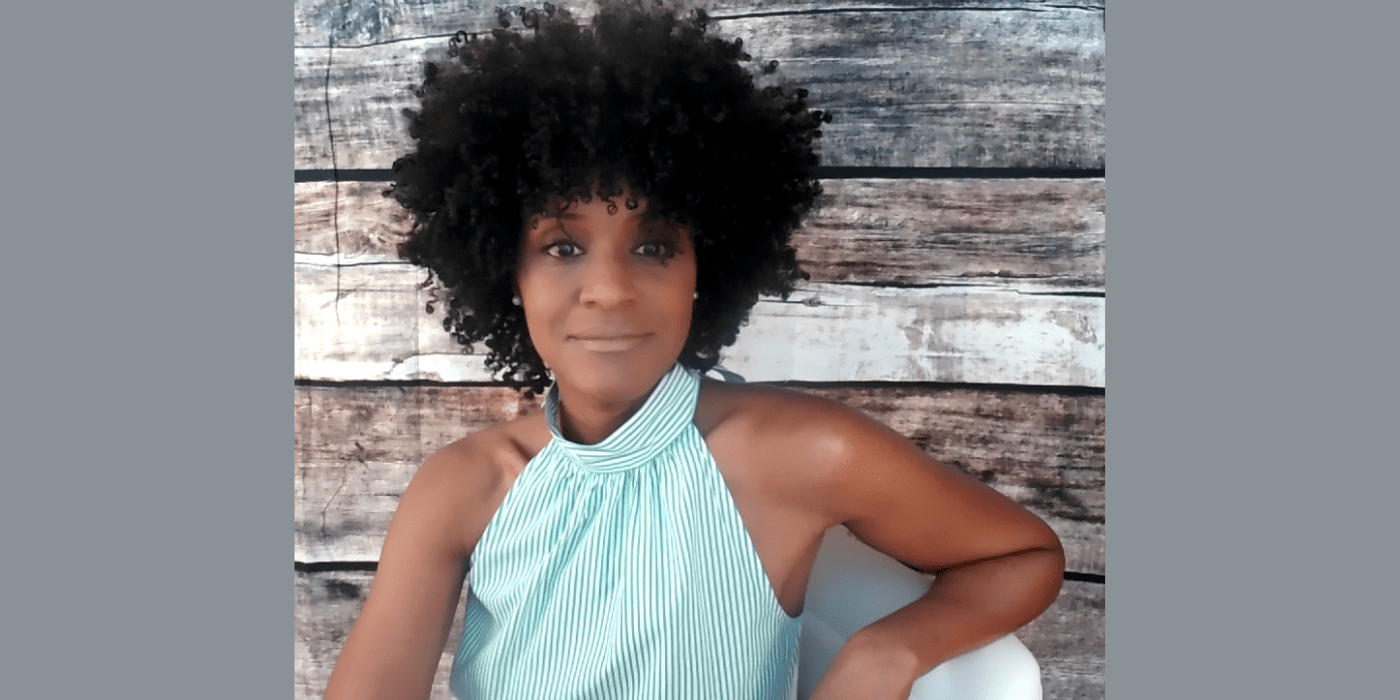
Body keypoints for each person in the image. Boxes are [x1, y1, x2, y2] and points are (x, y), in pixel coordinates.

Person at [323, 4, 1064, 700]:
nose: (608, 290)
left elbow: (1023, 555)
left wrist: (888, 651)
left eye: (652, 245)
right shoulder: (464, 485)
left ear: (701, 271)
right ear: (505, 272)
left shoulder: (798, 454)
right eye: (563, 246)